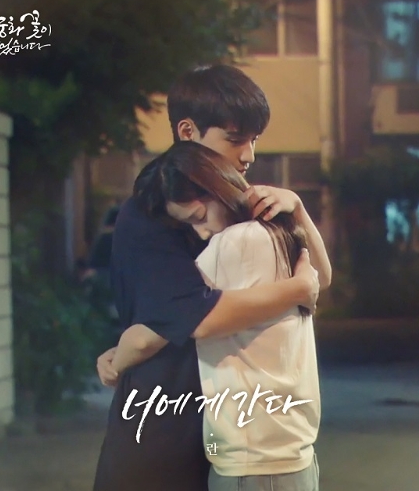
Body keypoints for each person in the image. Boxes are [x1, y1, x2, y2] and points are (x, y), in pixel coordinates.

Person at [93, 65, 331, 491]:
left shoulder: (247, 210)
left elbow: (318, 276)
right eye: (236, 139)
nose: (249, 155)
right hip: (166, 418)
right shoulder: (152, 209)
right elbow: (193, 316)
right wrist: (296, 289)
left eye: (254, 139)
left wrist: (297, 207)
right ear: (188, 131)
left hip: (234, 428)